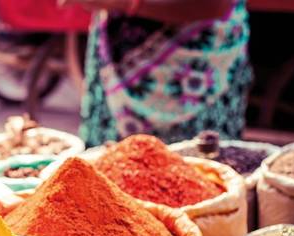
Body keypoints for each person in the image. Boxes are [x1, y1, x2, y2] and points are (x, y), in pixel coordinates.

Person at [70, 0, 251, 146]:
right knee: (101, 175)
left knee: (199, 176)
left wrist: (125, 3)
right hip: (113, 57)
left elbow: (214, 5)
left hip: (195, 63)